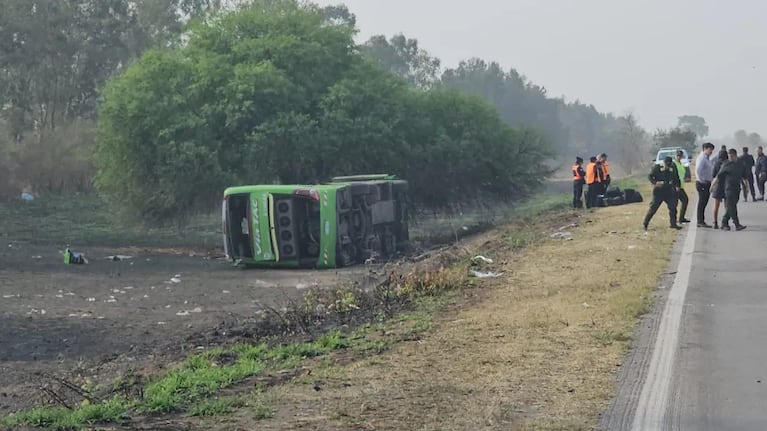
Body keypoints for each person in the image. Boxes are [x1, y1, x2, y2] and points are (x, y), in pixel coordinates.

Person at [710, 148, 749, 231]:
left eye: (732, 156)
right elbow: (718, 176)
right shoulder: (726, 164)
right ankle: (737, 224)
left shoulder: (741, 164)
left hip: (737, 189)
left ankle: (724, 222)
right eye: (729, 156)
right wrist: (712, 186)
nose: (730, 158)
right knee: (733, 206)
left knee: (731, 206)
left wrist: (747, 187)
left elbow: (745, 177)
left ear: (735, 155)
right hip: (729, 189)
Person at [643, 156, 683, 230]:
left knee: (673, 207)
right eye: (667, 164)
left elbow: (677, 178)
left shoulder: (673, 167)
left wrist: (677, 186)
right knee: (653, 208)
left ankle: (673, 224)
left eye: (669, 164)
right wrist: (655, 183)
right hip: (658, 191)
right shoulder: (657, 167)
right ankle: (645, 224)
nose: (668, 166)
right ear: (664, 163)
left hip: (668, 191)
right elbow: (650, 176)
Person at [695, 142, 716, 227]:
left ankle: (701, 220)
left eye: (712, 150)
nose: (711, 152)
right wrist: (702, 180)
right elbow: (698, 170)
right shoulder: (702, 158)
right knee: (702, 202)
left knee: (704, 202)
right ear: (705, 149)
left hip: (707, 183)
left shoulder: (707, 158)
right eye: (710, 150)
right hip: (702, 183)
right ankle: (700, 221)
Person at [711, 149, 728, 229]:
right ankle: (725, 222)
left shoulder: (716, 163)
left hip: (718, 185)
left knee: (716, 206)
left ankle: (715, 222)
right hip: (726, 185)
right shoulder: (728, 163)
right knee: (727, 205)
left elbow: (714, 174)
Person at [673, 150, 690, 224]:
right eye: (677, 156)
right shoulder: (674, 164)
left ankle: (681, 218)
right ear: (675, 156)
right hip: (676, 186)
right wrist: (676, 185)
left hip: (681, 186)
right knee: (676, 203)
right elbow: (674, 176)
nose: (679, 157)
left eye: (680, 156)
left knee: (685, 200)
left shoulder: (680, 164)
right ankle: (676, 220)